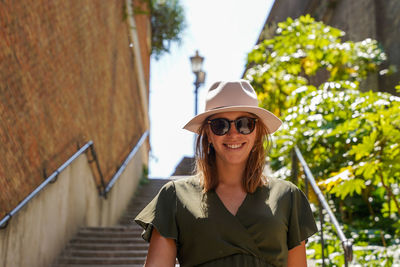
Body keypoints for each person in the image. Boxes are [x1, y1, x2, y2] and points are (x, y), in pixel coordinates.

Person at [135, 80, 318, 267]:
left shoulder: (288, 197)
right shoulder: (174, 196)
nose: (233, 133)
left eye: (244, 124)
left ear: (257, 131)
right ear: (208, 133)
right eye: (220, 125)